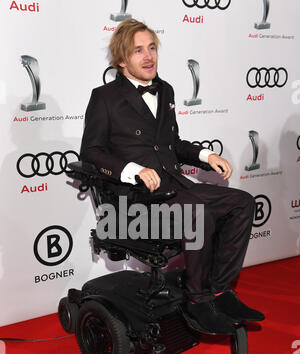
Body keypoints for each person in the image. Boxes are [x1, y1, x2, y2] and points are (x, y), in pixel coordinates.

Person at [80, 18, 265, 335]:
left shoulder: (165, 89)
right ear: (122, 60)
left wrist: (206, 156)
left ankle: (219, 291)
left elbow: (171, 143)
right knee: (197, 210)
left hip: (176, 186)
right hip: (137, 201)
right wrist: (133, 170)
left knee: (242, 203)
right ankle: (197, 300)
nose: (148, 56)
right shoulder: (105, 97)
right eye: (138, 51)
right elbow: (91, 153)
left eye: (151, 48)